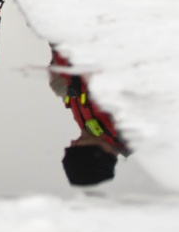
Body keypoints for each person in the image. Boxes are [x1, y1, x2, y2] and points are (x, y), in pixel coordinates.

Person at [49, 48, 131, 187]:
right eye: (78, 148)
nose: (73, 142)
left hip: (70, 42)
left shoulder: (91, 130)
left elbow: (71, 93)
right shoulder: (127, 129)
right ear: (103, 152)